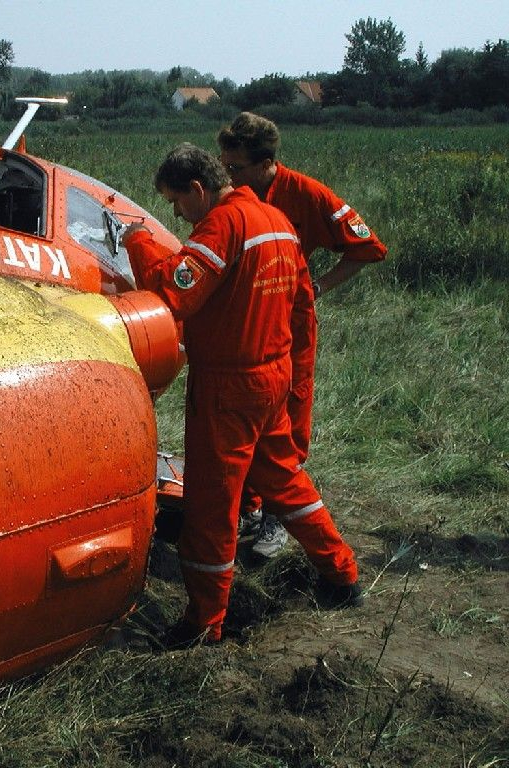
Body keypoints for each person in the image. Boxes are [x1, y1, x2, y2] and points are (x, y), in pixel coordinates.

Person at [123, 143, 361, 646]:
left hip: (228, 386)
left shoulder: (222, 226)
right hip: (272, 376)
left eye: (177, 202)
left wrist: (139, 242)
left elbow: (173, 292)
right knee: (285, 481)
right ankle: (343, 574)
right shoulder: (275, 219)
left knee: (213, 500)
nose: (177, 215)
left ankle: (204, 620)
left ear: (197, 189)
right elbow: (300, 303)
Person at [217, 112, 388, 560]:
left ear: (267, 163)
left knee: (288, 415)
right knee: (240, 413)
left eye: (237, 168)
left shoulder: (306, 194)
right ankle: (249, 507)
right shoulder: (231, 199)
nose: (229, 177)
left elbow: (368, 247)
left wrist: (319, 285)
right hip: (245, 323)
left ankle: (280, 516)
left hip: (291, 325)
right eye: (225, 167)